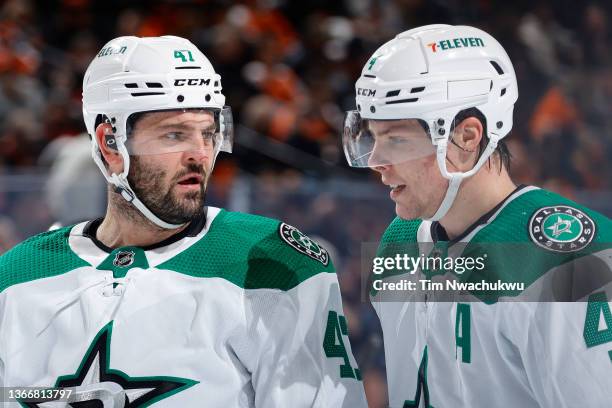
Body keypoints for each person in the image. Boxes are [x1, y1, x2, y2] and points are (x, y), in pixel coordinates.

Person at [0, 36, 367, 407]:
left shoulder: (272, 265)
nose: (199, 155)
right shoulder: (16, 277)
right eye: (174, 134)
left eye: (207, 133)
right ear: (111, 144)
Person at [343, 24, 612, 407]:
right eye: (373, 136)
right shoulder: (398, 240)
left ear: (467, 136)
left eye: (396, 139)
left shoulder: (570, 256)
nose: (377, 161)